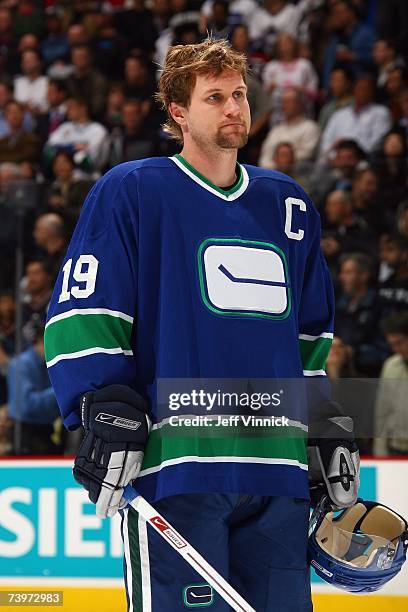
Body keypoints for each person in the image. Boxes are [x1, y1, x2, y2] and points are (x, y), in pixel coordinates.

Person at [44, 38, 359, 612]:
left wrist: (319, 412)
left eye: (238, 94)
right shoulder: (133, 190)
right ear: (178, 113)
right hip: (179, 463)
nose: (234, 107)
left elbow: (310, 331)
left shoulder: (287, 204)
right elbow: (84, 307)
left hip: (276, 467)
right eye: (214, 97)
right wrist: (103, 398)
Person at [374, 313, 408, 456]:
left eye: (399, 342)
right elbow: (382, 411)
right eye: (392, 344)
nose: (395, 349)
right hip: (396, 448)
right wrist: (380, 451)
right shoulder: (390, 365)